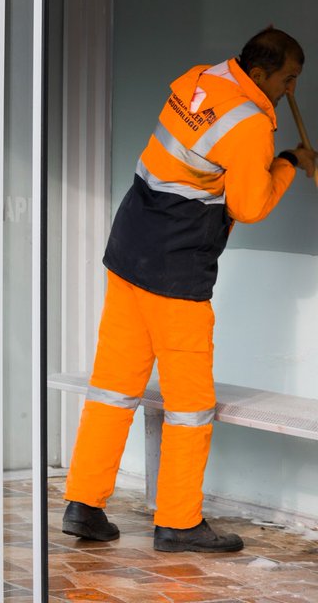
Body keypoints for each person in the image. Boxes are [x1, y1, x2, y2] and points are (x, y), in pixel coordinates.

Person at [62, 27, 317, 553]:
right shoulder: (249, 125)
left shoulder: (203, 81)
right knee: (190, 403)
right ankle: (178, 521)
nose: (291, 90)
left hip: (130, 245)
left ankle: (83, 504)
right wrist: (291, 162)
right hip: (174, 268)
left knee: (114, 385)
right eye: (289, 79)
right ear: (263, 72)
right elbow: (250, 205)